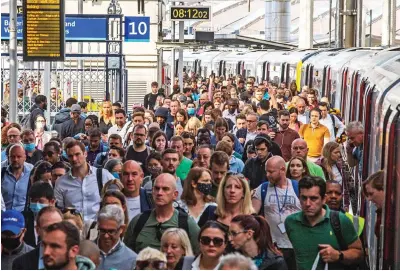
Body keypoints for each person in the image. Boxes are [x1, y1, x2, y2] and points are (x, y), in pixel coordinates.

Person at [285, 176, 362, 270]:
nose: (308, 204)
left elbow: (359, 253)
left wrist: (339, 255)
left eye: (313, 198)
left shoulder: (340, 220)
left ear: (324, 199)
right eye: (304, 198)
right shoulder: (291, 222)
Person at [124, 173, 200, 253]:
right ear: (152, 191)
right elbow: (127, 255)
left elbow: (200, 254)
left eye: (165, 189)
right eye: (157, 188)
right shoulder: (138, 221)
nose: (159, 193)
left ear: (175, 194)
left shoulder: (186, 223)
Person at [251, 156, 301, 269]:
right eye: (266, 171)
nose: (268, 175)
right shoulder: (262, 188)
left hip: (295, 245)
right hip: (272, 245)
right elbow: (252, 214)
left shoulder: (297, 187)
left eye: (271, 172)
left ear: (282, 169)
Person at [54, 140, 114, 221]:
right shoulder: (61, 182)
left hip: (99, 229)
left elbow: (118, 199)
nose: (74, 159)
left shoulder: (103, 175)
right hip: (74, 230)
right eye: (70, 156)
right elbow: (59, 212)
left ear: (85, 154)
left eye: (77, 154)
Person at [97, 204, 137, 269]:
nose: (106, 236)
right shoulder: (86, 252)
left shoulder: (132, 260)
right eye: (102, 230)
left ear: (122, 229)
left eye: (111, 231)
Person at [317, 142, 351, 209]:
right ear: (328, 153)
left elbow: (345, 187)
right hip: (325, 204)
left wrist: (346, 204)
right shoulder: (319, 167)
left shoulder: (339, 165)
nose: (339, 155)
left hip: (338, 203)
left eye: (339, 152)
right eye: (336, 152)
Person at [23, 181, 56, 247]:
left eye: (41, 201)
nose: (36, 204)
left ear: (51, 202)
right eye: (33, 201)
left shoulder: (56, 221)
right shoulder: (23, 218)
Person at [2, 144, 34, 211]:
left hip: (24, 217)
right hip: (4, 216)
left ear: (25, 157)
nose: (15, 159)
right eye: (12, 157)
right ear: (8, 158)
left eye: (19, 156)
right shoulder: (2, 173)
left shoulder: (32, 172)